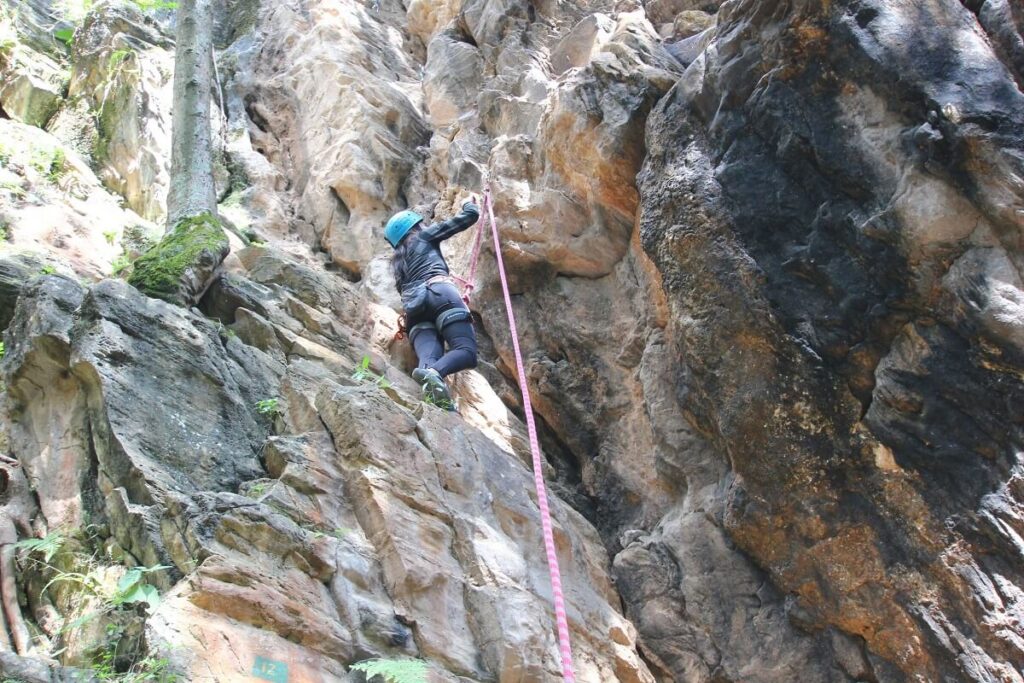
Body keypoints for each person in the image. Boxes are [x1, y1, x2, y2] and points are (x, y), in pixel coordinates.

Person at [386, 200, 480, 408]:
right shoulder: (422, 236)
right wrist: (469, 205)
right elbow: (469, 217)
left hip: (415, 314)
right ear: (415, 226)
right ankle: (435, 373)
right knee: (466, 351)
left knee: (428, 358)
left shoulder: (398, 266)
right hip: (439, 293)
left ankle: (434, 395)